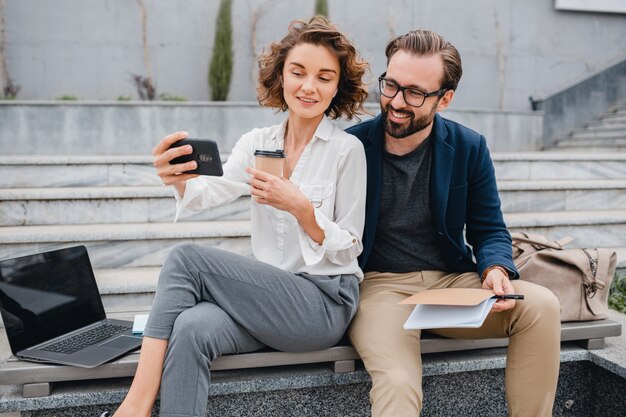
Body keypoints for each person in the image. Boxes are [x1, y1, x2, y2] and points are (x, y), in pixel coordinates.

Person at [105, 16, 369, 417]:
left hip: (322, 304)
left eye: (324, 77)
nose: (309, 86)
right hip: (267, 299)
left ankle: (135, 407)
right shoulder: (258, 143)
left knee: (185, 259)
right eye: (298, 72)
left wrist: (301, 208)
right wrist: (177, 178)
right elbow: (210, 192)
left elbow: (350, 244)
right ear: (281, 75)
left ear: (337, 87)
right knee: (191, 328)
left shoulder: (346, 151)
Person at [345, 29, 561, 417]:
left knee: (542, 305)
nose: (395, 101)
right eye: (390, 85)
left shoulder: (469, 146)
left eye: (414, 93)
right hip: (379, 289)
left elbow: (489, 227)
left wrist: (495, 267)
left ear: (444, 99)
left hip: (450, 285)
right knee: (396, 380)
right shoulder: (351, 147)